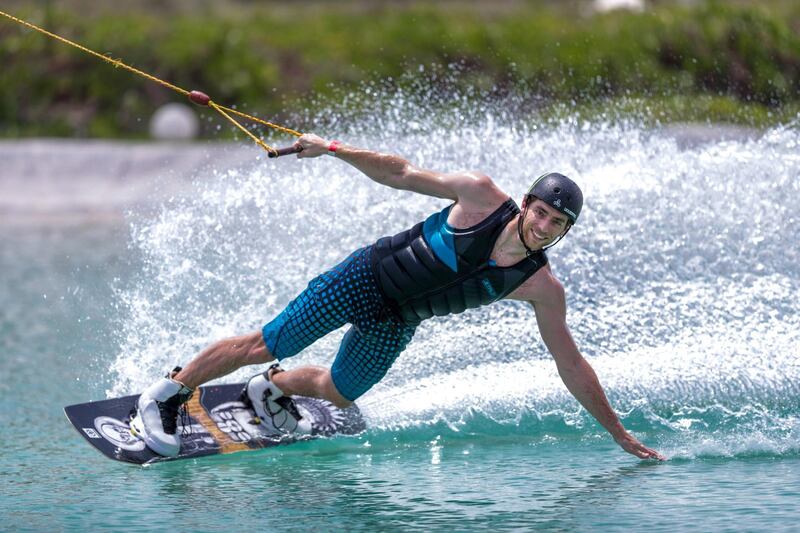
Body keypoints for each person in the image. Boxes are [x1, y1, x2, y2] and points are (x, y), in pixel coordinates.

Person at [129, 133, 664, 461]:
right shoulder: (480, 196)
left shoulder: (541, 287)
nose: (543, 226)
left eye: (556, 224)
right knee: (268, 340)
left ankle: (269, 390)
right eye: (540, 212)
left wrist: (617, 433)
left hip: (397, 321)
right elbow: (400, 172)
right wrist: (333, 149)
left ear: (563, 232)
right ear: (526, 204)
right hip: (364, 279)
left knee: (338, 393)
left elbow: (570, 364)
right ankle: (168, 393)